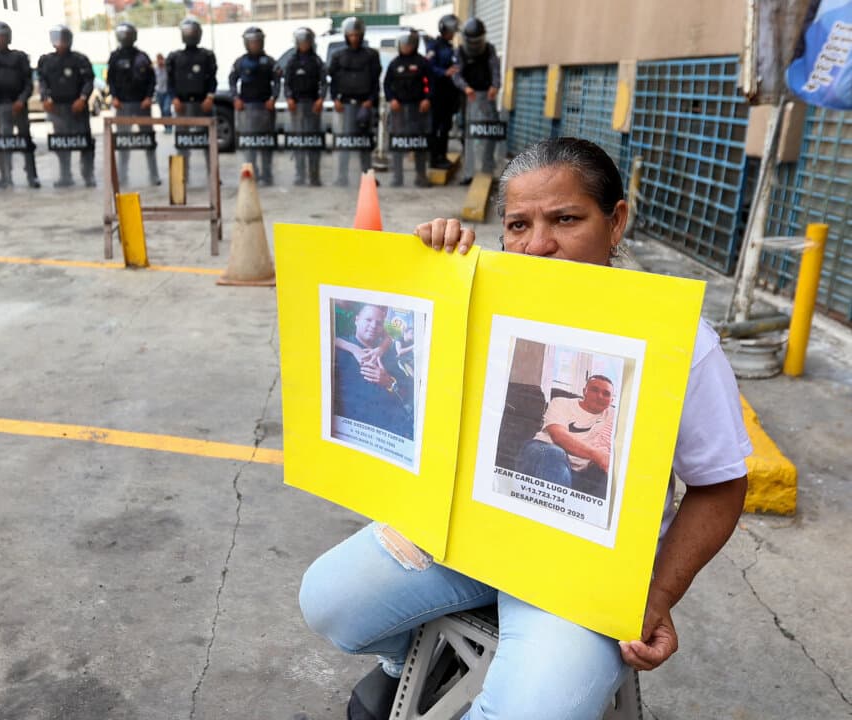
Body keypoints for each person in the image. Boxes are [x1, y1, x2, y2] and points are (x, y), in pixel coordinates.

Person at [300, 137, 752, 720]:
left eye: (566, 219)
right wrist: (428, 274)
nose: (538, 246)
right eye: (518, 225)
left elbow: (721, 486)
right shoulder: (478, 298)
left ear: (615, 222)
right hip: (460, 536)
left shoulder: (683, 343)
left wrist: (656, 596)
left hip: (583, 569)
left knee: (532, 711)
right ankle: (415, 662)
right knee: (328, 601)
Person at [517, 375, 616, 498]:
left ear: (612, 400)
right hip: (543, 450)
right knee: (555, 453)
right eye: (594, 390)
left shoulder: (613, 416)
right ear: (584, 391)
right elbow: (559, 436)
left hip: (577, 471)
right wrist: (597, 455)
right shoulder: (561, 402)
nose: (600, 396)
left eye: (606, 394)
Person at [333, 304, 414, 441]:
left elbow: (408, 394)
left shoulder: (388, 353)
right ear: (356, 320)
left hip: (389, 434)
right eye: (368, 320)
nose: (373, 326)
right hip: (353, 434)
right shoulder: (338, 350)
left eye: (379, 323)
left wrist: (388, 381)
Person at [0, 21, 40, 190]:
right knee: (3, 142)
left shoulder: (19, 57)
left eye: (3, 36)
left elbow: (28, 83)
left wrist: (21, 100)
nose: (1, 39)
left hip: (18, 104)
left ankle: (32, 176)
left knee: (25, 141)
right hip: (0, 105)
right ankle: (5, 176)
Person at [37, 24, 96, 188]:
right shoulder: (46, 60)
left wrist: (83, 98)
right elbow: (42, 82)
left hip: (77, 107)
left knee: (84, 142)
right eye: (57, 38)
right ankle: (64, 175)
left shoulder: (80, 59)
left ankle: (88, 175)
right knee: (62, 143)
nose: (60, 42)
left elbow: (89, 81)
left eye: (63, 38)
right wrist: (45, 98)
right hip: (57, 109)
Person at [328, 16, 381, 187]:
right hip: (345, 105)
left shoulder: (371, 55)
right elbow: (333, 79)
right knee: (344, 142)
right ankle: (342, 176)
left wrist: (371, 100)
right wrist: (335, 98)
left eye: (357, 35)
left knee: (365, 142)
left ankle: (367, 176)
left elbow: (375, 80)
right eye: (351, 35)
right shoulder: (338, 56)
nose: (354, 38)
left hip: (363, 104)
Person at [108, 22, 161, 187]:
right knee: (123, 141)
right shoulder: (115, 57)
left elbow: (152, 80)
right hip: (122, 105)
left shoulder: (142, 57)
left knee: (148, 140)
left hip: (142, 105)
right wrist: (114, 97)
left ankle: (154, 175)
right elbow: (111, 80)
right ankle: (122, 177)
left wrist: (148, 97)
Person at [229, 26, 281, 186]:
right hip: (247, 109)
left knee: (266, 143)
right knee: (249, 144)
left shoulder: (270, 62)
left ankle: (267, 174)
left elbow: (277, 82)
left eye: (257, 42)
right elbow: (232, 81)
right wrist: (235, 98)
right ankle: (252, 173)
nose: (254, 45)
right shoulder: (240, 62)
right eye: (251, 42)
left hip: (265, 108)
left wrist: (273, 98)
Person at [452, 18, 500, 185]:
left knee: (490, 131)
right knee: (468, 135)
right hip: (469, 96)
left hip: (488, 96)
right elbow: (456, 74)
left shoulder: (489, 50)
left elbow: (495, 69)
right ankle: (469, 173)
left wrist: (495, 86)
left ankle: (487, 167)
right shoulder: (460, 52)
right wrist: (465, 88)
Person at [166, 19, 217, 177]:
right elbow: (170, 81)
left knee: (207, 141)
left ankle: (213, 174)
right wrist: (174, 98)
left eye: (193, 32)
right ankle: (182, 175)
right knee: (183, 142)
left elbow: (212, 79)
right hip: (182, 105)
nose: (190, 35)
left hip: (202, 104)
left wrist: (210, 97)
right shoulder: (175, 57)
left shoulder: (207, 56)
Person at [384, 28, 433, 188]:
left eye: (409, 44)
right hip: (399, 110)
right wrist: (391, 99)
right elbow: (387, 84)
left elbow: (431, 83)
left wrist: (427, 99)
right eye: (403, 45)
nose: (406, 47)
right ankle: (397, 177)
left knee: (419, 143)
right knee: (397, 143)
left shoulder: (422, 63)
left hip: (418, 110)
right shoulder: (394, 64)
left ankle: (421, 176)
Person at [284, 27, 327, 187]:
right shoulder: (292, 61)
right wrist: (289, 98)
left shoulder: (316, 61)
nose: (304, 45)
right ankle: (299, 175)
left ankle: (314, 176)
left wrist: (321, 99)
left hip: (312, 105)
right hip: (297, 106)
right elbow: (287, 83)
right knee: (299, 142)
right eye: (301, 42)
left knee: (313, 141)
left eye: (307, 42)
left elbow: (324, 82)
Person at [425, 14, 461, 170]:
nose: (453, 33)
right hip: (437, 93)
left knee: (445, 126)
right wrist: (444, 72)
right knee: (435, 127)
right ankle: (434, 158)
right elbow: (429, 66)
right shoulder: (434, 46)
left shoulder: (450, 47)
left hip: (449, 93)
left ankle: (442, 156)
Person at [154, 53, 173, 133]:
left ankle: (169, 127)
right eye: (158, 59)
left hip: (167, 92)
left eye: (161, 59)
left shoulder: (167, 69)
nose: (160, 61)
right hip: (159, 93)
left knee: (166, 109)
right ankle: (165, 126)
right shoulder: (155, 69)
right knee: (162, 111)